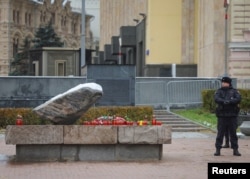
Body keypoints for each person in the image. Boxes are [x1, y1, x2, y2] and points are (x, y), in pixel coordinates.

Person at [214, 76, 241, 156]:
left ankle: (235, 149)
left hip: (232, 115)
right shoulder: (219, 91)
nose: (223, 83)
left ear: (228, 83)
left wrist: (229, 102)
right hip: (222, 115)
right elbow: (216, 99)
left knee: (233, 133)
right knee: (220, 133)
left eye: (225, 82)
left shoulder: (234, 91)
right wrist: (224, 101)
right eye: (223, 82)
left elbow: (238, 99)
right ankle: (218, 149)